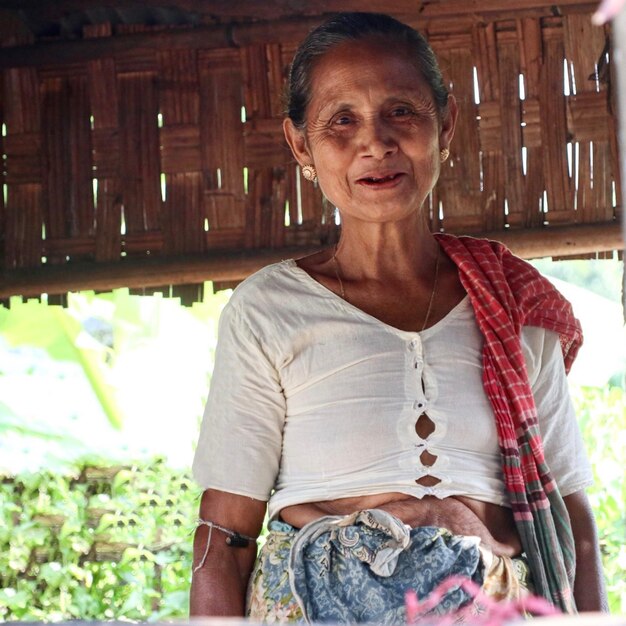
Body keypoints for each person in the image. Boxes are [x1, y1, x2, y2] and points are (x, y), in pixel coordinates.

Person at [190, 12, 607, 622]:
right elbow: (224, 537)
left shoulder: (514, 303)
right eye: (342, 120)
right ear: (301, 145)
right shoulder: (268, 310)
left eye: (402, 112)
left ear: (446, 125)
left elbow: (574, 527)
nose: (376, 143)